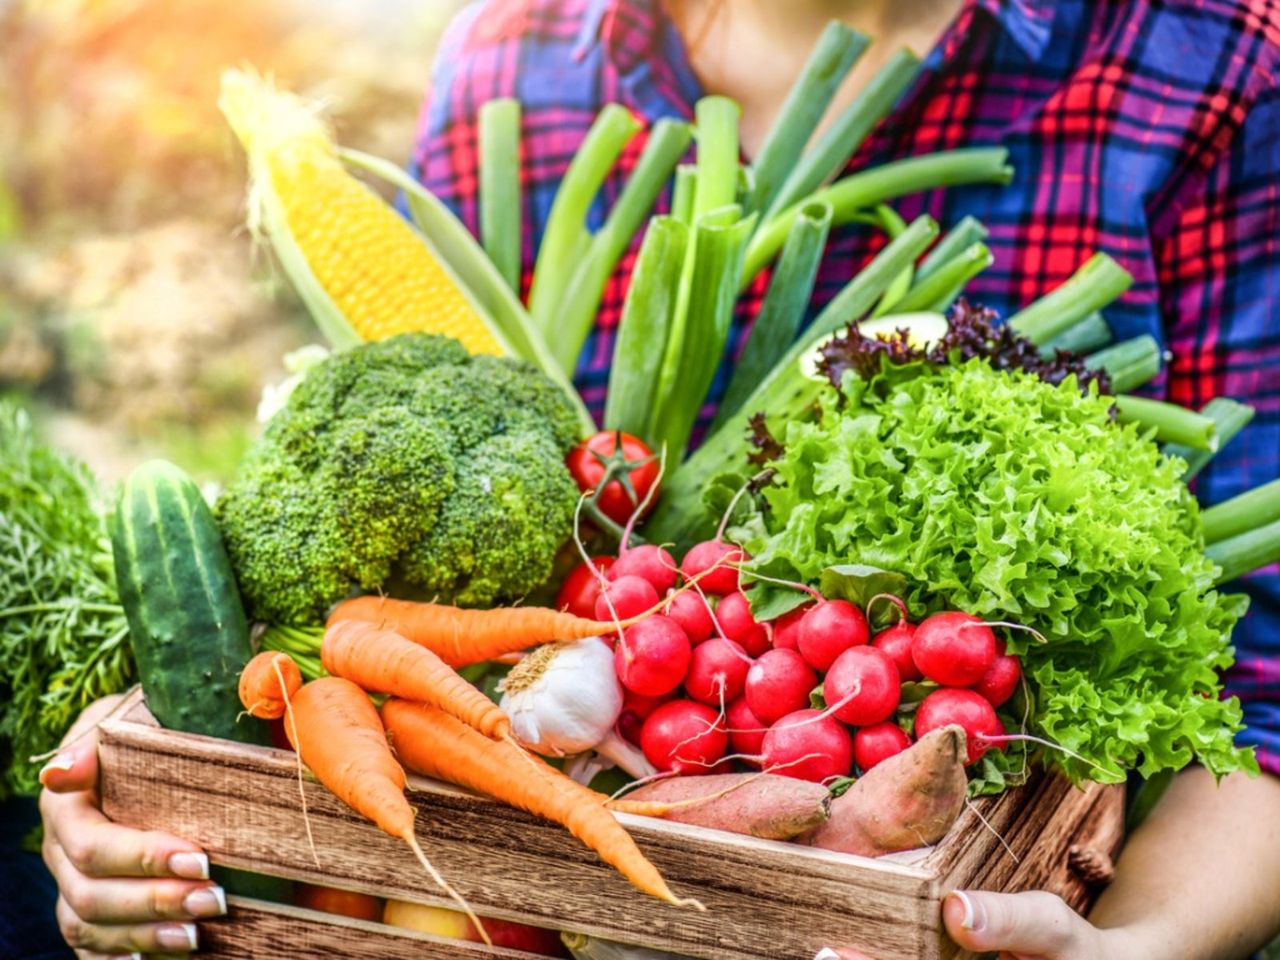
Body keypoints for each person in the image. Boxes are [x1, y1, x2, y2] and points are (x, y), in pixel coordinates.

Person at [35, 0, 1280, 957]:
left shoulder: (1214, 67)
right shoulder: (520, 58)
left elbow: (1266, 686)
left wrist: (1144, 945)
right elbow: (358, 573)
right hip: (516, 850)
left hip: (932, 859)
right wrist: (138, 796)